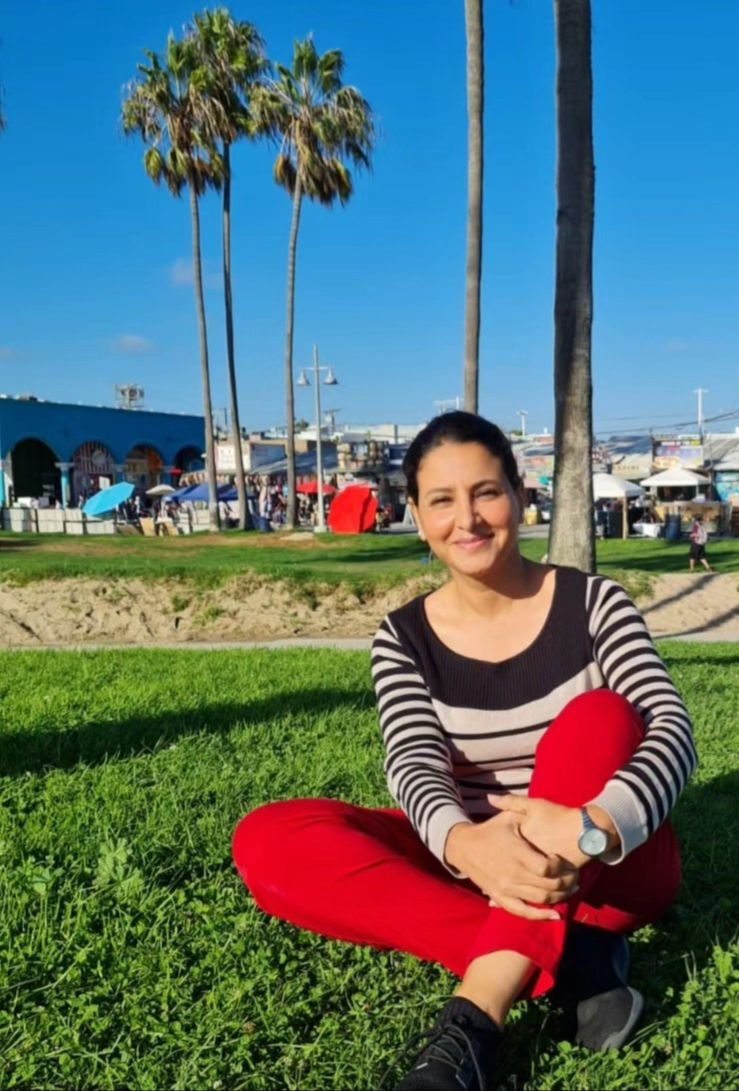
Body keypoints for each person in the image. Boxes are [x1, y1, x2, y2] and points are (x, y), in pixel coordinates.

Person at [232, 412, 695, 1091]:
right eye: (442, 500)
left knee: (599, 717)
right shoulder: (403, 637)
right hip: (480, 866)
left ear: (518, 496)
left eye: (485, 492)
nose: (468, 519)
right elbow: (413, 760)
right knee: (269, 839)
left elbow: (671, 728)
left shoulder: (594, 603)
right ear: (419, 517)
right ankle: (572, 959)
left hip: (606, 863)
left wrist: (591, 825)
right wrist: (465, 844)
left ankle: (474, 1019)